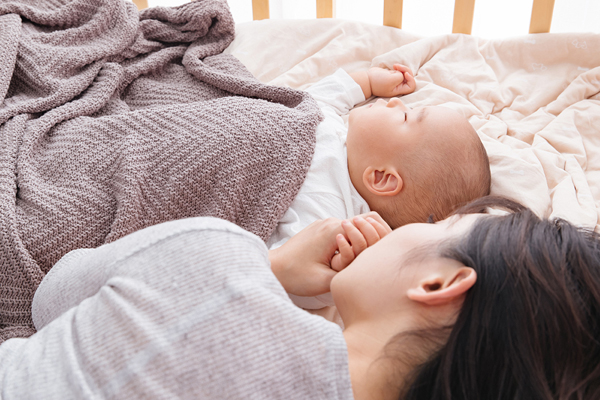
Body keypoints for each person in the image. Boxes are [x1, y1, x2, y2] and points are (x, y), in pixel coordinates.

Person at [1, 196, 598, 399]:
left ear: (439, 284)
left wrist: (269, 269)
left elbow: (52, 298)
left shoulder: (216, 260)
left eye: (437, 224)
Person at [270, 64, 492, 309]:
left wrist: (338, 275)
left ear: (381, 178)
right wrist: (367, 81)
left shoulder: (330, 216)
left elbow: (292, 275)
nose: (396, 102)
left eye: (406, 116)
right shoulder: (335, 129)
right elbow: (317, 98)